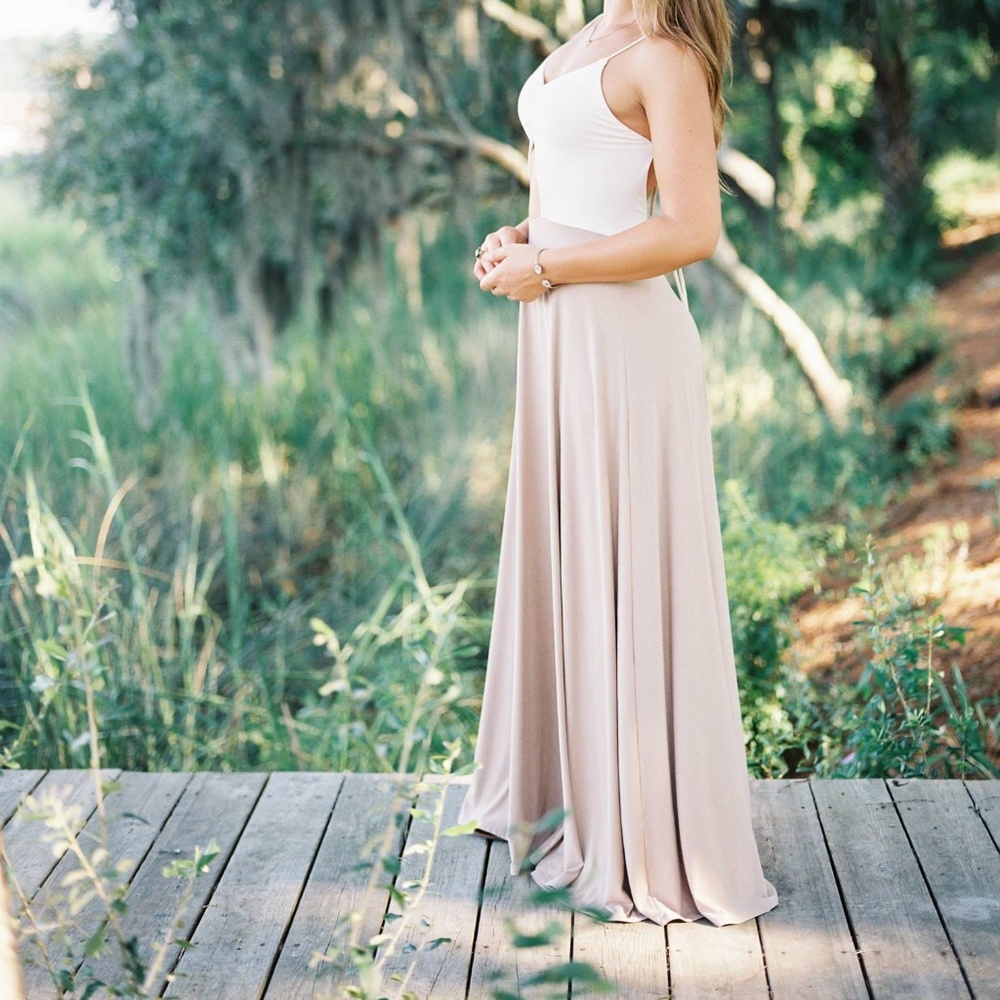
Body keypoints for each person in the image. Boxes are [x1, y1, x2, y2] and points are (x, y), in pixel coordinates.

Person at [456, 0, 780, 926]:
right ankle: (563, 795)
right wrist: (523, 240)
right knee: (568, 554)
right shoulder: (584, 39)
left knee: (625, 565)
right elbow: (576, 193)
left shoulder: (665, 57)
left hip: (625, 345)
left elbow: (690, 230)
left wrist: (552, 268)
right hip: (559, 335)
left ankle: (644, 828)